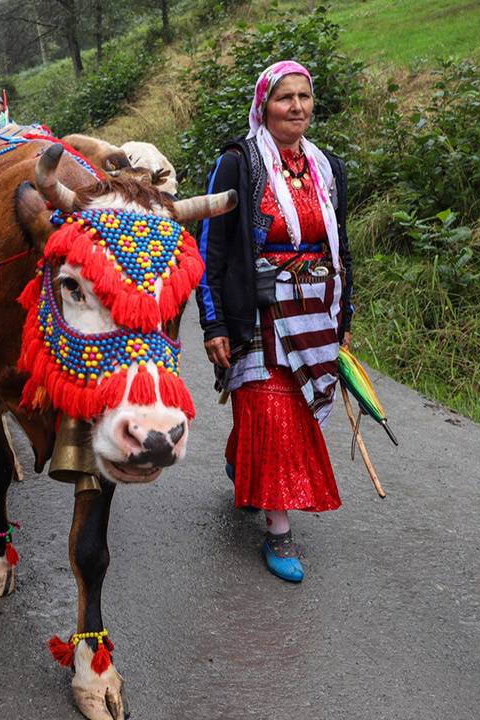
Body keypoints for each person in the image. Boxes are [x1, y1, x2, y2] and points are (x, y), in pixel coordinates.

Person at [195, 60, 354, 583]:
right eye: (286, 97)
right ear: (264, 105)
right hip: (257, 310)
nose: (297, 107)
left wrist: (344, 313)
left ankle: (243, 460)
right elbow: (211, 248)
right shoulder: (239, 163)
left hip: (316, 314)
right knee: (272, 411)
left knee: (295, 410)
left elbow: (341, 249)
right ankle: (279, 530)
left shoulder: (327, 166)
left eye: (305, 97)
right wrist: (214, 323)